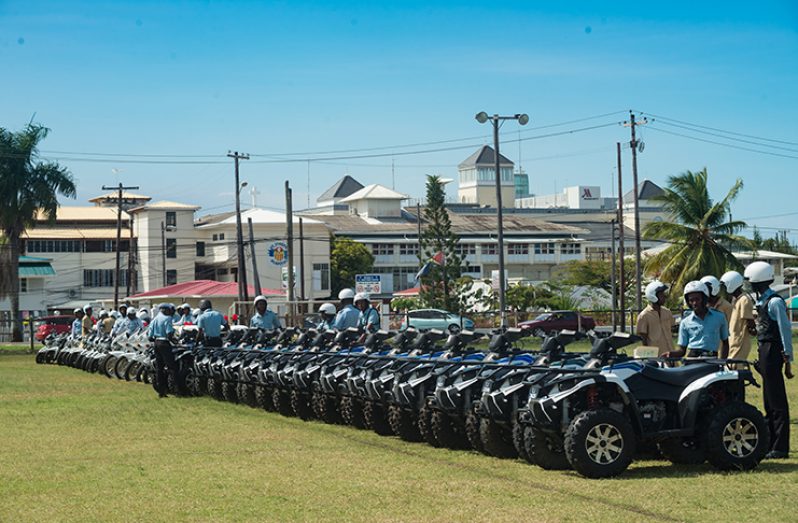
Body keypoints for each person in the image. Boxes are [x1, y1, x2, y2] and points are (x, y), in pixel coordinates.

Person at [744, 261, 793, 459]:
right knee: (768, 400)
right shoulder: (762, 301)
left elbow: (785, 330)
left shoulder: (774, 302)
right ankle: (771, 442)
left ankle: (780, 447)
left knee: (777, 401)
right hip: (765, 349)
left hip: (773, 350)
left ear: (757, 281)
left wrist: (787, 357)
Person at [664, 280, 729, 359]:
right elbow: (682, 350)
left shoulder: (719, 317)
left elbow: (725, 343)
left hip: (712, 360)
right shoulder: (685, 322)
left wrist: (722, 362)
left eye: (697, 299)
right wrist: (670, 354)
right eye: (691, 300)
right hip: (692, 360)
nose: (694, 303)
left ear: (704, 299)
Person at [720, 270, 756, 361]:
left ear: (731, 284)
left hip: (740, 341)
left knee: (736, 366)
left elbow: (750, 321)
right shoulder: (736, 300)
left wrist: (753, 330)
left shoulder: (744, 300)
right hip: (733, 339)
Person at [635, 280, 674, 356]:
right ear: (653, 296)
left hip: (670, 353)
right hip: (656, 355)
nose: (664, 296)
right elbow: (643, 339)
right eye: (661, 294)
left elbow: (671, 329)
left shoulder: (667, 312)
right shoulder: (644, 316)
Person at [148, 303, 177, 398]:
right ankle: (174, 388)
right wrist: (175, 341)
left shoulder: (155, 319)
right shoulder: (167, 318)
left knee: (159, 368)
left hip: (156, 343)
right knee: (172, 367)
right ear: (165, 310)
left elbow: (149, 336)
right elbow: (169, 334)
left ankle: (161, 391)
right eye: (169, 310)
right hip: (165, 343)